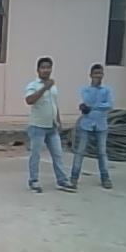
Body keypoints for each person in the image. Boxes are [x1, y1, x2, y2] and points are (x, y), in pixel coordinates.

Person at [24, 57, 76, 193]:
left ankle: (62, 181)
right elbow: (29, 100)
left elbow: (54, 104)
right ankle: (34, 181)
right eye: (43, 67)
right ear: (38, 70)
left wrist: (59, 121)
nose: (46, 70)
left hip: (52, 127)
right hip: (37, 126)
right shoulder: (33, 85)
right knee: (35, 155)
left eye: (48, 67)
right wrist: (44, 88)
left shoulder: (53, 86)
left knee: (58, 154)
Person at [70, 63, 114, 189]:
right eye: (95, 74)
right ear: (90, 75)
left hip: (101, 125)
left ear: (103, 75)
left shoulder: (107, 90)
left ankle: (105, 178)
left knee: (102, 152)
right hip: (86, 124)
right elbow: (86, 102)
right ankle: (74, 178)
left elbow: (109, 105)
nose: (98, 76)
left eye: (100, 73)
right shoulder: (85, 90)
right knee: (80, 151)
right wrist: (94, 106)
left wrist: (93, 107)